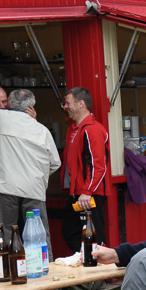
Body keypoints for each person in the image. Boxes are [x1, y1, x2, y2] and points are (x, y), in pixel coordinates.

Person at [0, 89, 60, 247]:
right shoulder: (41, 129)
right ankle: (45, 262)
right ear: (31, 106)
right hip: (33, 187)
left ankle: (7, 263)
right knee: (39, 233)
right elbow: (55, 162)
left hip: (5, 185)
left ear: (9, 103)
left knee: (4, 232)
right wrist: (37, 175)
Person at [61, 87, 109, 254]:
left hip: (89, 194)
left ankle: (101, 265)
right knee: (71, 231)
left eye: (68, 103)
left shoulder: (92, 129)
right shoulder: (73, 128)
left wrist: (87, 191)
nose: (65, 107)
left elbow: (98, 165)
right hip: (78, 193)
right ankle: (87, 260)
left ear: (81, 104)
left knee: (94, 235)